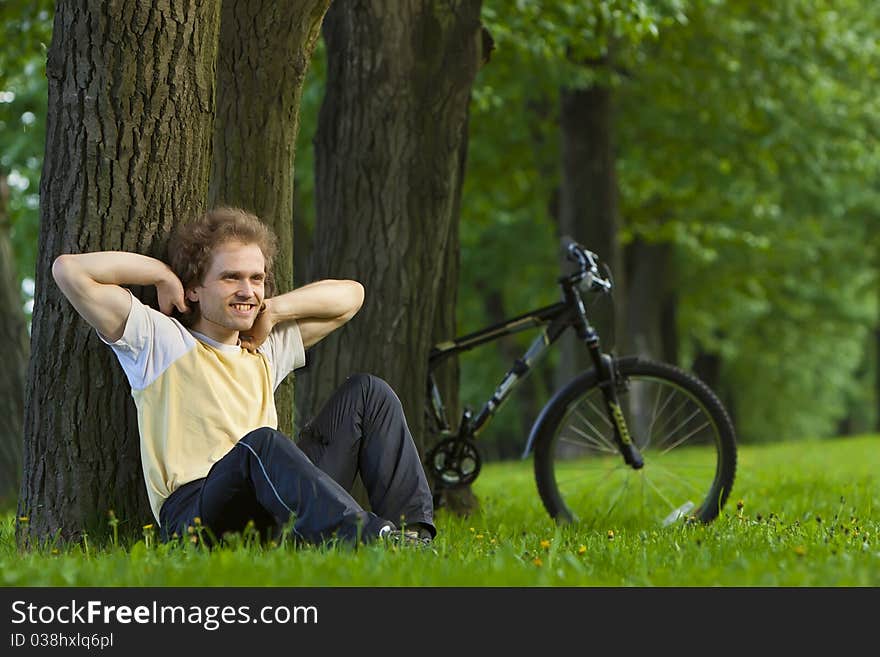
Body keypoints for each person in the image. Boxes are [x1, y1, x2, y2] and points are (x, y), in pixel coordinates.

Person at [51, 206, 436, 548]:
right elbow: (70, 270)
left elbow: (351, 296)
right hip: (198, 514)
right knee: (262, 444)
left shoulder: (262, 348)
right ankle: (373, 539)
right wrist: (162, 276)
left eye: (257, 278)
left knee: (369, 393)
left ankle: (413, 538)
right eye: (231, 278)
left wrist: (275, 310)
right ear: (196, 289)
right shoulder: (160, 342)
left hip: (274, 498)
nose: (247, 291)